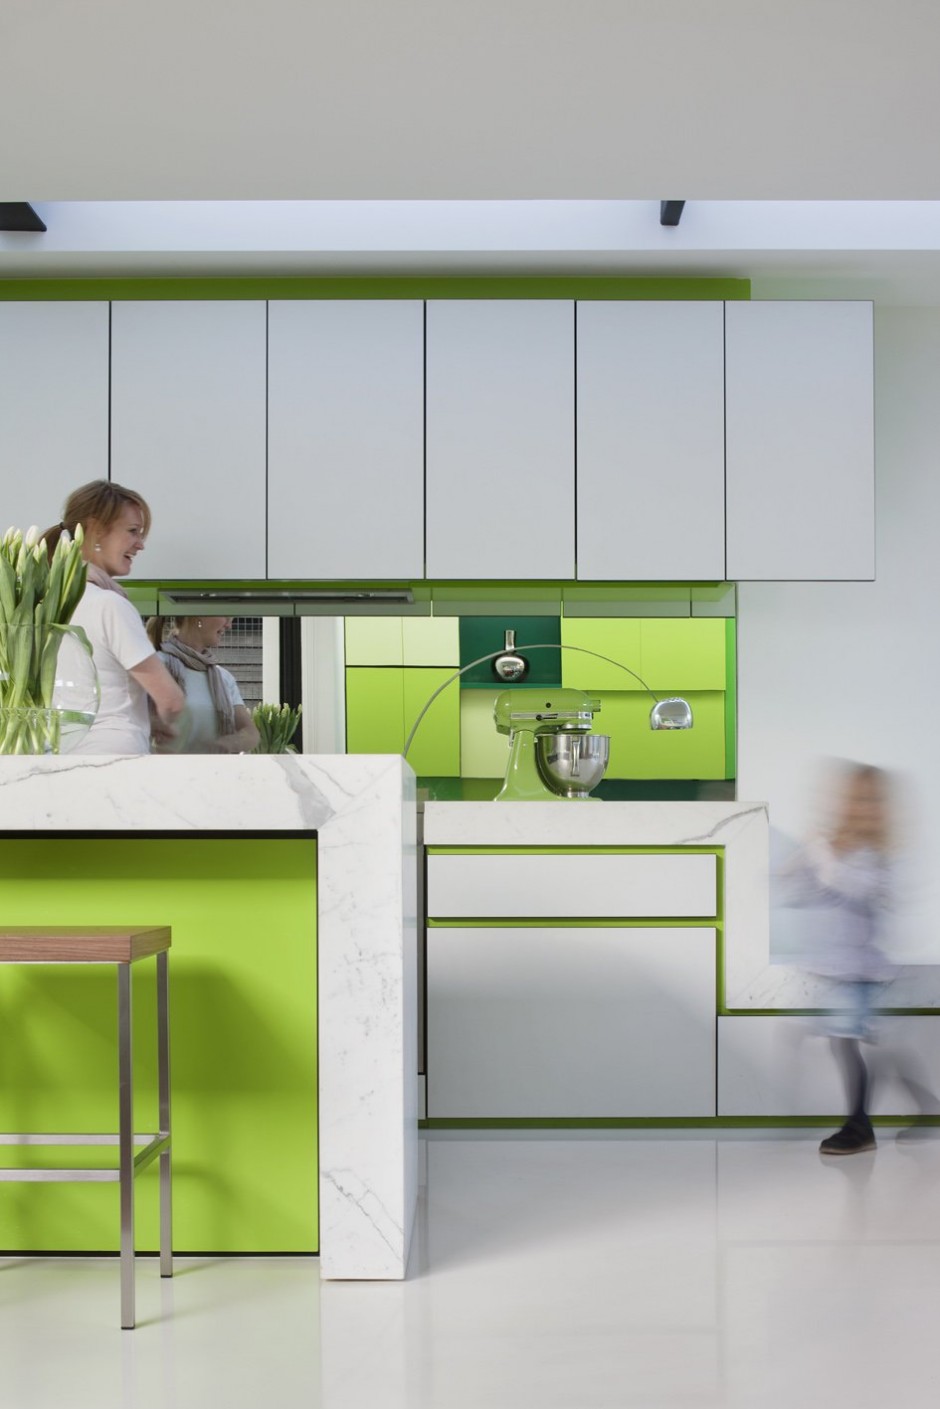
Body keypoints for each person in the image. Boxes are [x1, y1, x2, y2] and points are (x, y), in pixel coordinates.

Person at [778, 761, 897, 1156]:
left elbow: (854, 887)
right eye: (853, 800)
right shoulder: (838, 849)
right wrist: (802, 864)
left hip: (857, 971)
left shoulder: (872, 855)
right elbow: (803, 891)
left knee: (847, 1042)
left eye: (868, 801)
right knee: (842, 1042)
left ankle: (859, 1125)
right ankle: (870, 1119)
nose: (859, 808)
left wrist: (823, 857)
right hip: (834, 969)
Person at [43, 481, 185, 754]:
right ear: (95, 530)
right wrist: (175, 731)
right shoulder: (109, 605)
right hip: (114, 756)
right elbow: (171, 700)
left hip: (56, 757)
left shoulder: (47, 604)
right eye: (133, 531)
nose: (140, 544)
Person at [145, 616, 260, 754]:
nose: (229, 625)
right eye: (226, 616)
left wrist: (226, 744)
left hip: (212, 772)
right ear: (198, 617)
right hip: (162, 771)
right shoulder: (154, 665)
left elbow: (250, 732)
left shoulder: (223, 678)